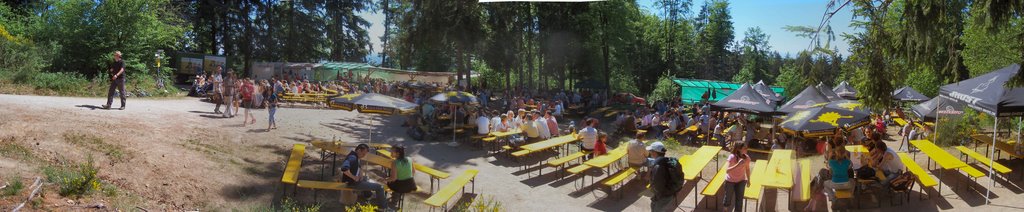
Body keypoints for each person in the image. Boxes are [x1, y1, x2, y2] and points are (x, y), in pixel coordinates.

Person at [340, 144, 387, 208]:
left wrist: (360, 173)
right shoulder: (352, 157)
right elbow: (344, 168)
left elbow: (358, 166)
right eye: (363, 154)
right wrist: (354, 177)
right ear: (359, 150)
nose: (364, 156)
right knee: (380, 187)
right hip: (353, 183)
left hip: (355, 181)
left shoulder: (356, 156)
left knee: (366, 178)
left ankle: (368, 195)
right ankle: (383, 208)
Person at [647, 141, 676, 212]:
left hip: (662, 195)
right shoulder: (669, 161)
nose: (650, 153)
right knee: (655, 206)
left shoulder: (658, 166)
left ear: (655, 152)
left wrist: (656, 194)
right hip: (670, 192)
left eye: (651, 151)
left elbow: (657, 184)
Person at [723, 142, 750, 212]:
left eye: (747, 148)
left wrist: (748, 180)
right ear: (738, 149)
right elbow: (727, 170)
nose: (747, 149)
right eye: (745, 148)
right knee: (728, 198)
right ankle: (725, 210)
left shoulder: (747, 158)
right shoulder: (732, 157)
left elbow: (747, 169)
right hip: (730, 181)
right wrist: (738, 164)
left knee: (739, 200)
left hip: (741, 181)